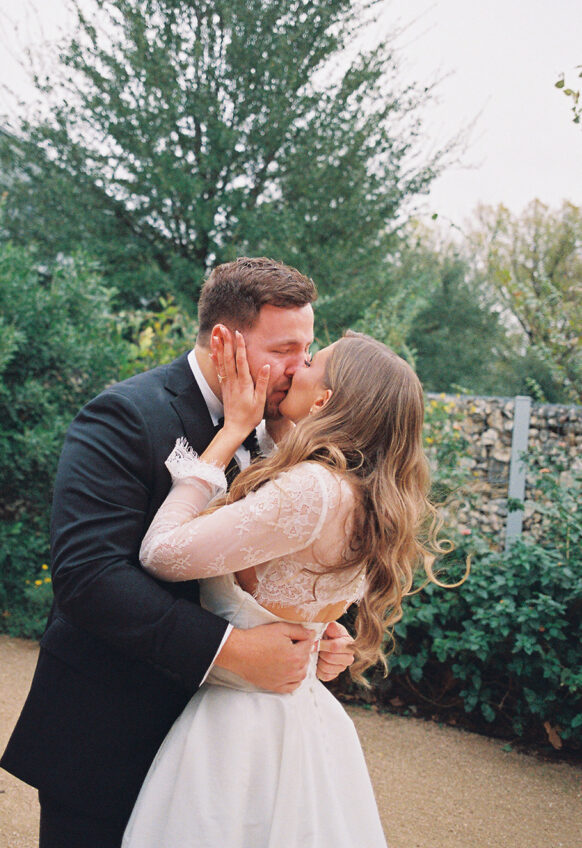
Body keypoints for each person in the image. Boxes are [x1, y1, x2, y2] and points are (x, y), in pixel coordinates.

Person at [0, 257, 355, 848]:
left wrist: (314, 631)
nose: (301, 369)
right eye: (285, 349)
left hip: (225, 758)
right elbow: (88, 577)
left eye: (308, 348)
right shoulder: (124, 416)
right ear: (224, 342)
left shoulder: (285, 435)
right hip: (112, 733)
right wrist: (233, 650)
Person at [120, 328, 452, 847]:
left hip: (241, 727)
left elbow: (160, 554)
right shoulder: (368, 495)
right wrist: (325, 635)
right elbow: (302, 593)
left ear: (324, 399)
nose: (296, 366)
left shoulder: (312, 489)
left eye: (312, 360)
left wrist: (229, 433)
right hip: (304, 718)